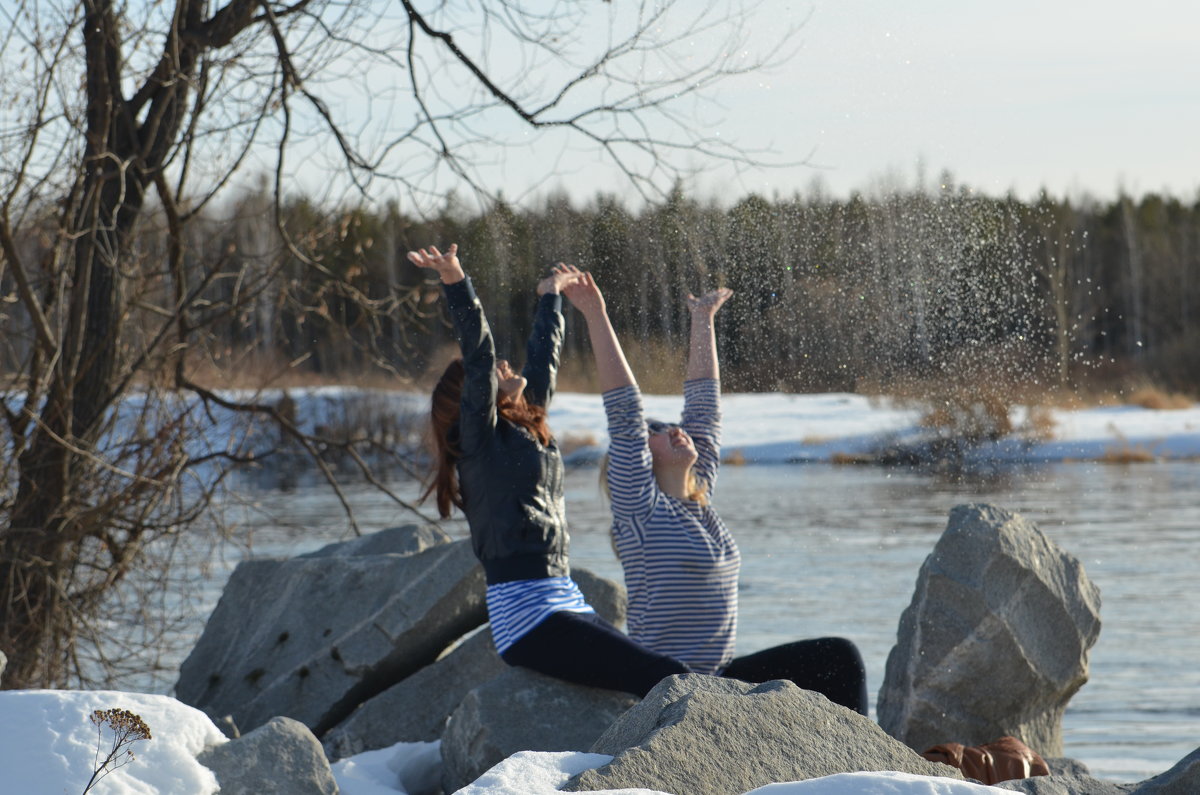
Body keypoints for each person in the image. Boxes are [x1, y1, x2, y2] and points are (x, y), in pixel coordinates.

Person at [562, 269, 870, 715]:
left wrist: (702, 319)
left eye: (673, 426)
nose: (673, 431)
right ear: (638, 462)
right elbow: (626, 412)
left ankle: (871, 769)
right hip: (672, 690)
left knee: (839, 658)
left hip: (721, 679)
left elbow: (703, 408)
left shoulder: (699, 497)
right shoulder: (641, 513)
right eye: (657, 431)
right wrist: (595, 313)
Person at [408, 244, 691, 698]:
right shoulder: (481, 443)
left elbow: (544, 362)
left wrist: (551, 297)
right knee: (670, 679)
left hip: (563, 599)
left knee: (670, 679)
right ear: (474, 398)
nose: (505, 366)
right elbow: (480, 354)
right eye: (492, 372)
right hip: (528, 619)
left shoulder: (526, 427)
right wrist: (456, 279)